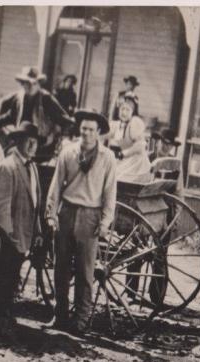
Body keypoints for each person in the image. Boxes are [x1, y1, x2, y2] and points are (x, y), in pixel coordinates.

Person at [45, 109, 117, 335]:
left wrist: (106, 221)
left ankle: (82, 319)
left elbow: (110, 192)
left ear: (98, 133)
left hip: (90, 216)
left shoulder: (107, 158)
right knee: (61, 268)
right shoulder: (68, 153)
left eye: (91, 130)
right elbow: (56, 185)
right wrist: (51, 213)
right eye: (83, 129)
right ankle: (60, 315)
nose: (86, 133)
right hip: (67, 212)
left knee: (86, 271)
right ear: (79, 129)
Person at [0, 122, 42, 328]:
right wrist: (7, 234)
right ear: (18, 142)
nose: (32, 145)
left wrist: (38, 230)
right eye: (28, 141)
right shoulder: (8, 166)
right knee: (2, 275)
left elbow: (35, 202)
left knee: (12, 277)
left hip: (25, 233)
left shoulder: (33, 167)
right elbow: (0, 206)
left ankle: (5, 314)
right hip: (10, 236)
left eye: (35, 142)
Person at [0, 66, 74, 162]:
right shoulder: (18, 99)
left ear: (39, 84)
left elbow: (65, 121)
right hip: (22, 145)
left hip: (42, 148)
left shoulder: (46, 99)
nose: (31, 87)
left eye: (34, 83)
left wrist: (54, 136)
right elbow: (11, 116)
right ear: (22, 84)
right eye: (27, 83)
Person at [108, 95, 152, 183]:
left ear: (132, 112)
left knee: (117, 177)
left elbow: (140, 146)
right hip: (123, 160)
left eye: (127, 110)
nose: (124, 112)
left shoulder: (134, 123)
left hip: (136, 162)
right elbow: (105, 136)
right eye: (122, 109)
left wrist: (123, 154)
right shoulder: (116, 125)